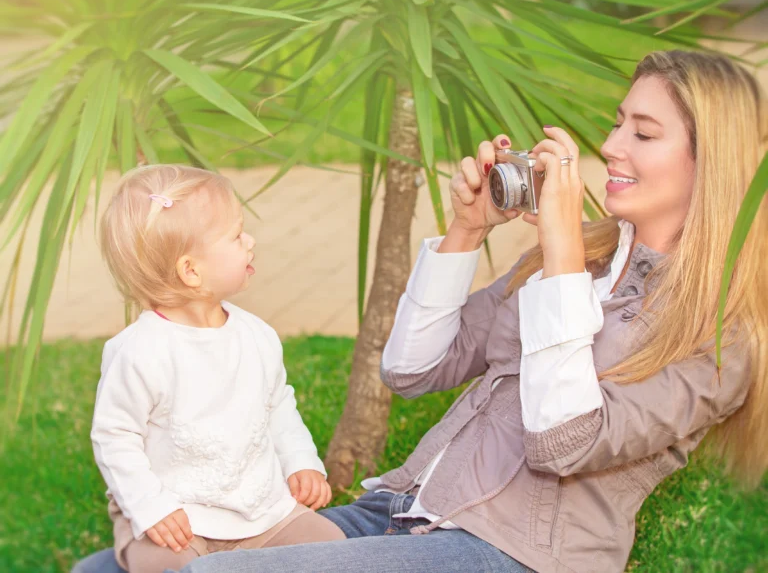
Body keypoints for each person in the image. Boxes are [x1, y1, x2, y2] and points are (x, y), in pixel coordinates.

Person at [74, 50, 767, 573]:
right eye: (618, 122)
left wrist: (556, 245)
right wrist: (467, 232)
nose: (610, 146)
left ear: (712, 164)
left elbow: (562, 443)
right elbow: (410, 368)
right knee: (101, 569)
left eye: (643, 133)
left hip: (511, 551)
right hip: (407, 514)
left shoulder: (717, 336)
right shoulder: (581, 261)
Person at [86, 165, 345, 573]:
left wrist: (300, 461)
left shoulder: (255, 336)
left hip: (259, 508)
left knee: (333, 548)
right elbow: (115, 436)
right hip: (178, 520)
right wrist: (151, 508)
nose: (251, 242)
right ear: (191, 271)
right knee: (166, 565)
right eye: (236, 235)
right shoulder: (141, 352)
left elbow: (277, 404)